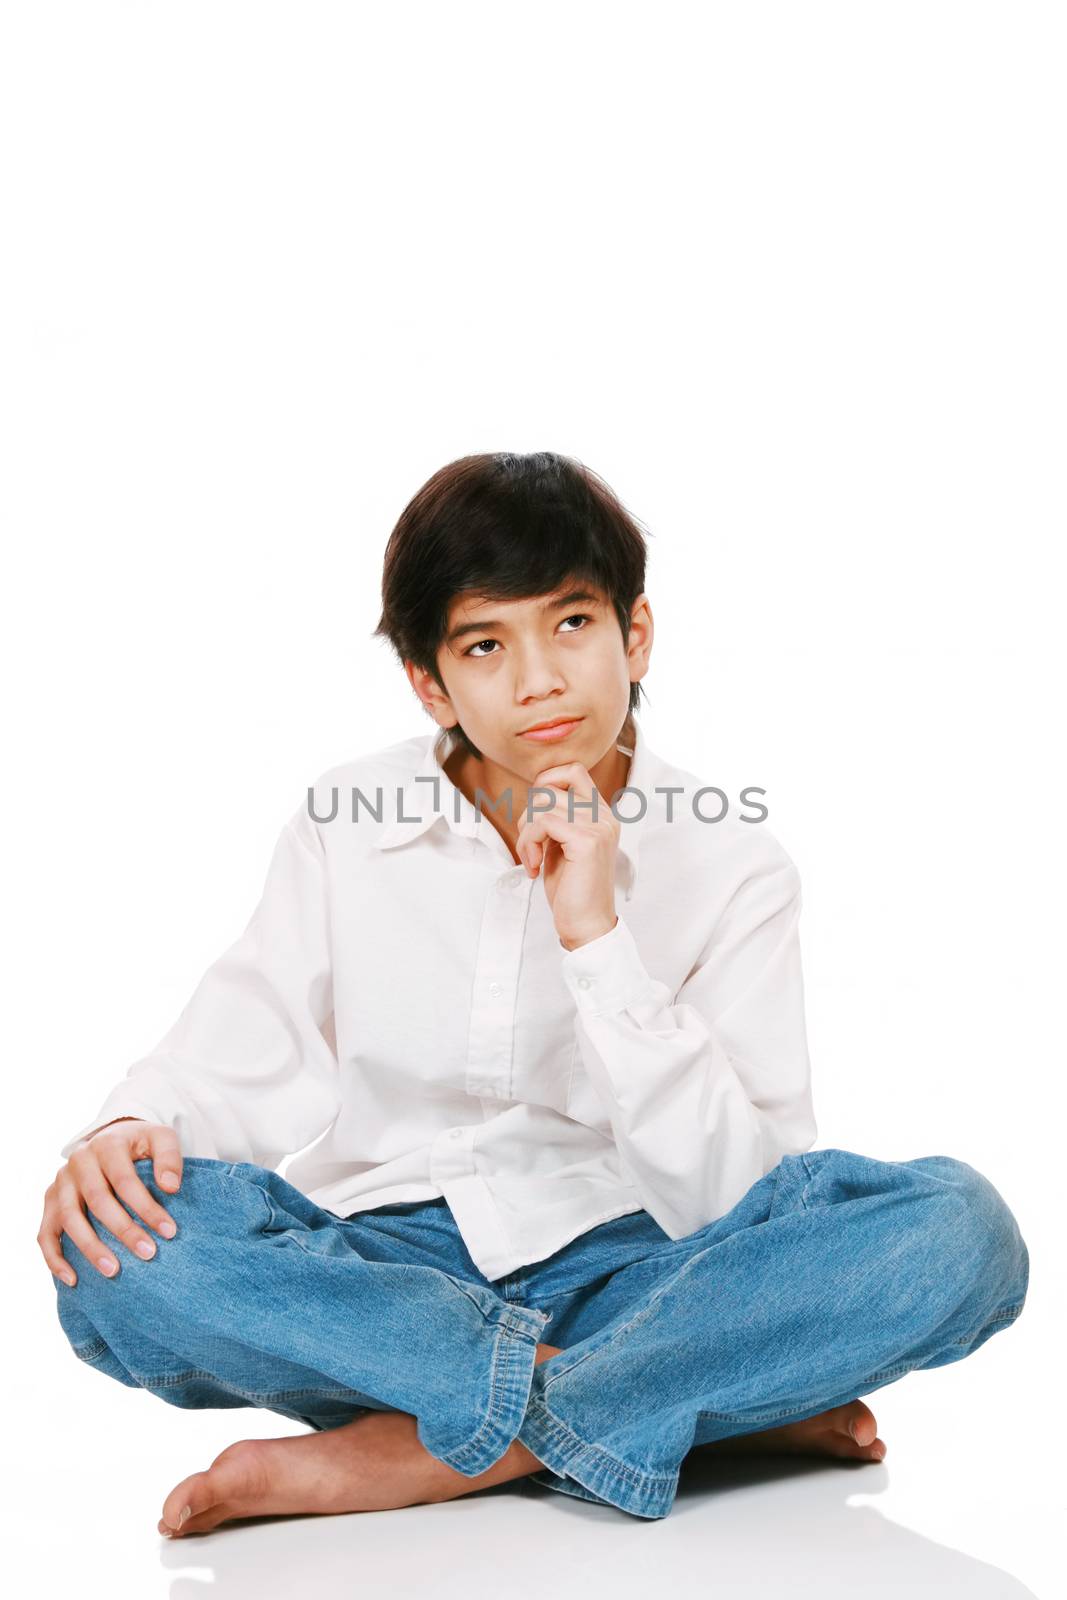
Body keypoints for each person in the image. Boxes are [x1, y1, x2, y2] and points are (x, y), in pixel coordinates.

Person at [39, 451, 1029, 1535]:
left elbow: (741, 1203)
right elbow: (240, 1044)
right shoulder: (345, 820)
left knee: (956, 1235)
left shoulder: (736, 864)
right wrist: (129, 1132)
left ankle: (442, 1445)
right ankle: (667, 1406)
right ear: (431, 681)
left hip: (639, 1265)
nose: (539, 680)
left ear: (633, 635)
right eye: (483, 644)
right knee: (115, 1250)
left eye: (570, 625)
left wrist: (596, 935)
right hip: (381, 1285)